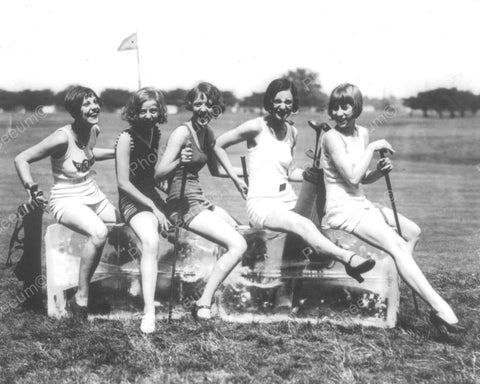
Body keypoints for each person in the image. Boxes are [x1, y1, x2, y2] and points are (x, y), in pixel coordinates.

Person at [319, 82, 463, 333]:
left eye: (346, 106)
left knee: (412, 232)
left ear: (357, 108)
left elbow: (362, 179)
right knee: (396, 245)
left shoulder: (362, 133)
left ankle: (392, 286)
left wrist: (378, 171)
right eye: (335, 108)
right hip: (341, 210)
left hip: (360, 204)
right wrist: (374, 148)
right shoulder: (331, 137)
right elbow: (351, 178)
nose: (340, 113)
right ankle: (442, 311)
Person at [214, 78, 375, 289]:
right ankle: (348, 259)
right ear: (269, 101)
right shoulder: (255, 126)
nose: (282, 107)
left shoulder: (292, 132)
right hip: (262, 204)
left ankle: (291, 288)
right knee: (303, 225)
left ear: (293, 104)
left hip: (287, 199)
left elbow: (288, 172)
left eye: (288, 102)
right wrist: (236, 178)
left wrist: (310, 173)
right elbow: (218, 145)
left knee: (315, 225)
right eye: (277, 101)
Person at [14, 85, 116, 320]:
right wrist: (31, 187)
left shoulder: (94, 129)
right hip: (66, 200)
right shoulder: (62, 137)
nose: (94, 107)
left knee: (129, 226)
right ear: (74, 110)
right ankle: (80, 298)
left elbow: (89, 153)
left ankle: (111, 282)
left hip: (95, 196)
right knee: (99, 233)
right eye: (86, 104)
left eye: (95, 101)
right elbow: (22, 158)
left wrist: (117, 150)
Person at [155, 82, 247, 321]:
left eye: (209, 104)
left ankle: (216, 291)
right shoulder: (182, 133)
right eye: (199, 104)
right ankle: (203, 302)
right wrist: (179, 162)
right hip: (181, 205)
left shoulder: (207, 133)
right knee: (237, 245)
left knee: (239, 231)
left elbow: (217, 169)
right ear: (191, 106)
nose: (204, 109)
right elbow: (158, 173)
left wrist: (240, 178)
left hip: (198, 199)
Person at [115, 87, 171, 333]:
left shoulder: (155, 132)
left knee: (187, 225)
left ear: (160, 111)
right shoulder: (126, 138)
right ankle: (149, 312)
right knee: (150, 241)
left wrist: (169, 194)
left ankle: (165, 287)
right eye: (143, 111)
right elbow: (123, 183)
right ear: (134, 112)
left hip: (152, 196)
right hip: (132, 200)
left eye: (153, 110)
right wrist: (154, 208)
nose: (148, 115)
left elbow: (151, 174)